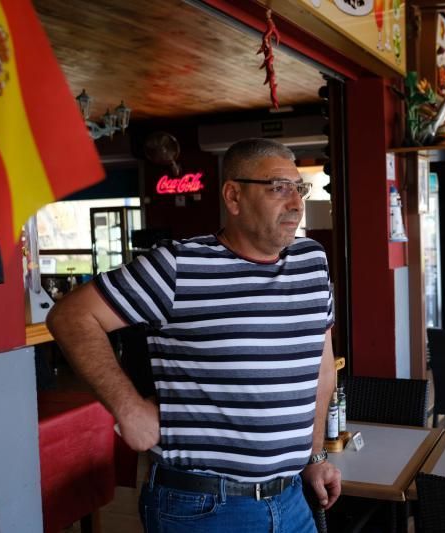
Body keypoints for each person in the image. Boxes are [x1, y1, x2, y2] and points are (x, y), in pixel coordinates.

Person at [47, 138, 341, 532]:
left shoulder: (312, 262)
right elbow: (70, 316)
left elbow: (320, 369)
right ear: (233, 196)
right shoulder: (177, 266)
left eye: (298, 189)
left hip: (291, 501)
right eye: (278, 188)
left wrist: (315, 456)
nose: (295, 203)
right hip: (205, 507)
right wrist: (128, 409)